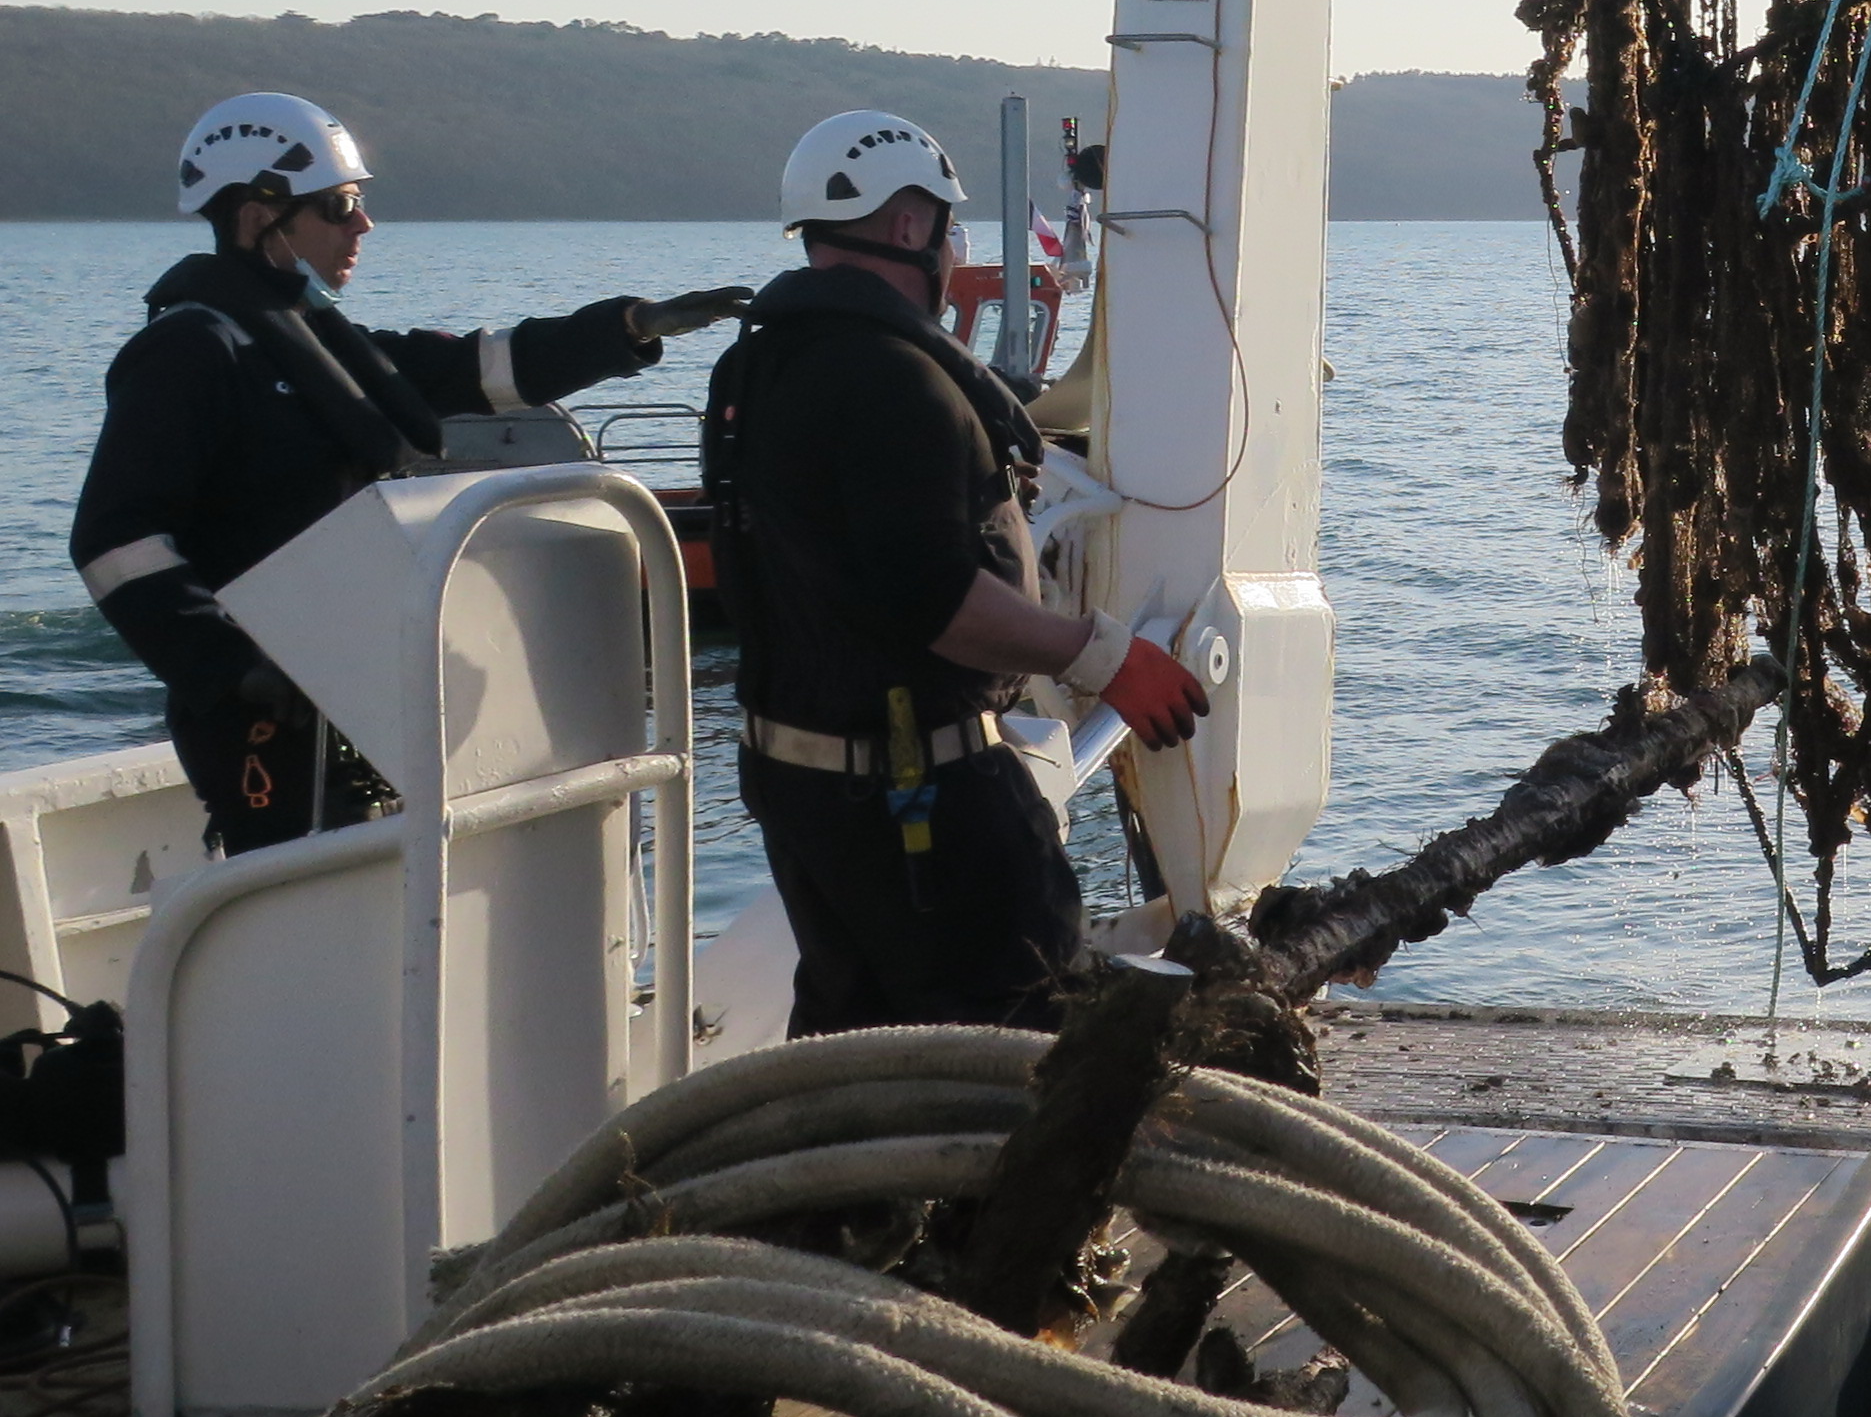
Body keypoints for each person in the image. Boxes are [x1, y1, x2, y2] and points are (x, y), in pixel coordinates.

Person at [71, 91, 752, 853]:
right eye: (339, 205)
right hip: (264, 711)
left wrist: (626, 328)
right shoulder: (190, 351)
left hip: (355, 689)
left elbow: (476, 367)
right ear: (259, 216)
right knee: (297, 897)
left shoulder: (311, 341)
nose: (362, 225)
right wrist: (231, 666)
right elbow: (113, 539)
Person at [714, 110, 1208, 1035]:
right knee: (1016, 1045)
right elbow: (939, 601)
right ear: (908, 226)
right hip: (922, 803)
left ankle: (852, 1184)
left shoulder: (754, 366)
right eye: (945, 222)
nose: (951, 246)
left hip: (800, 790)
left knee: (850, 1049)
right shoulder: (897, 380)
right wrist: (1105, 658)